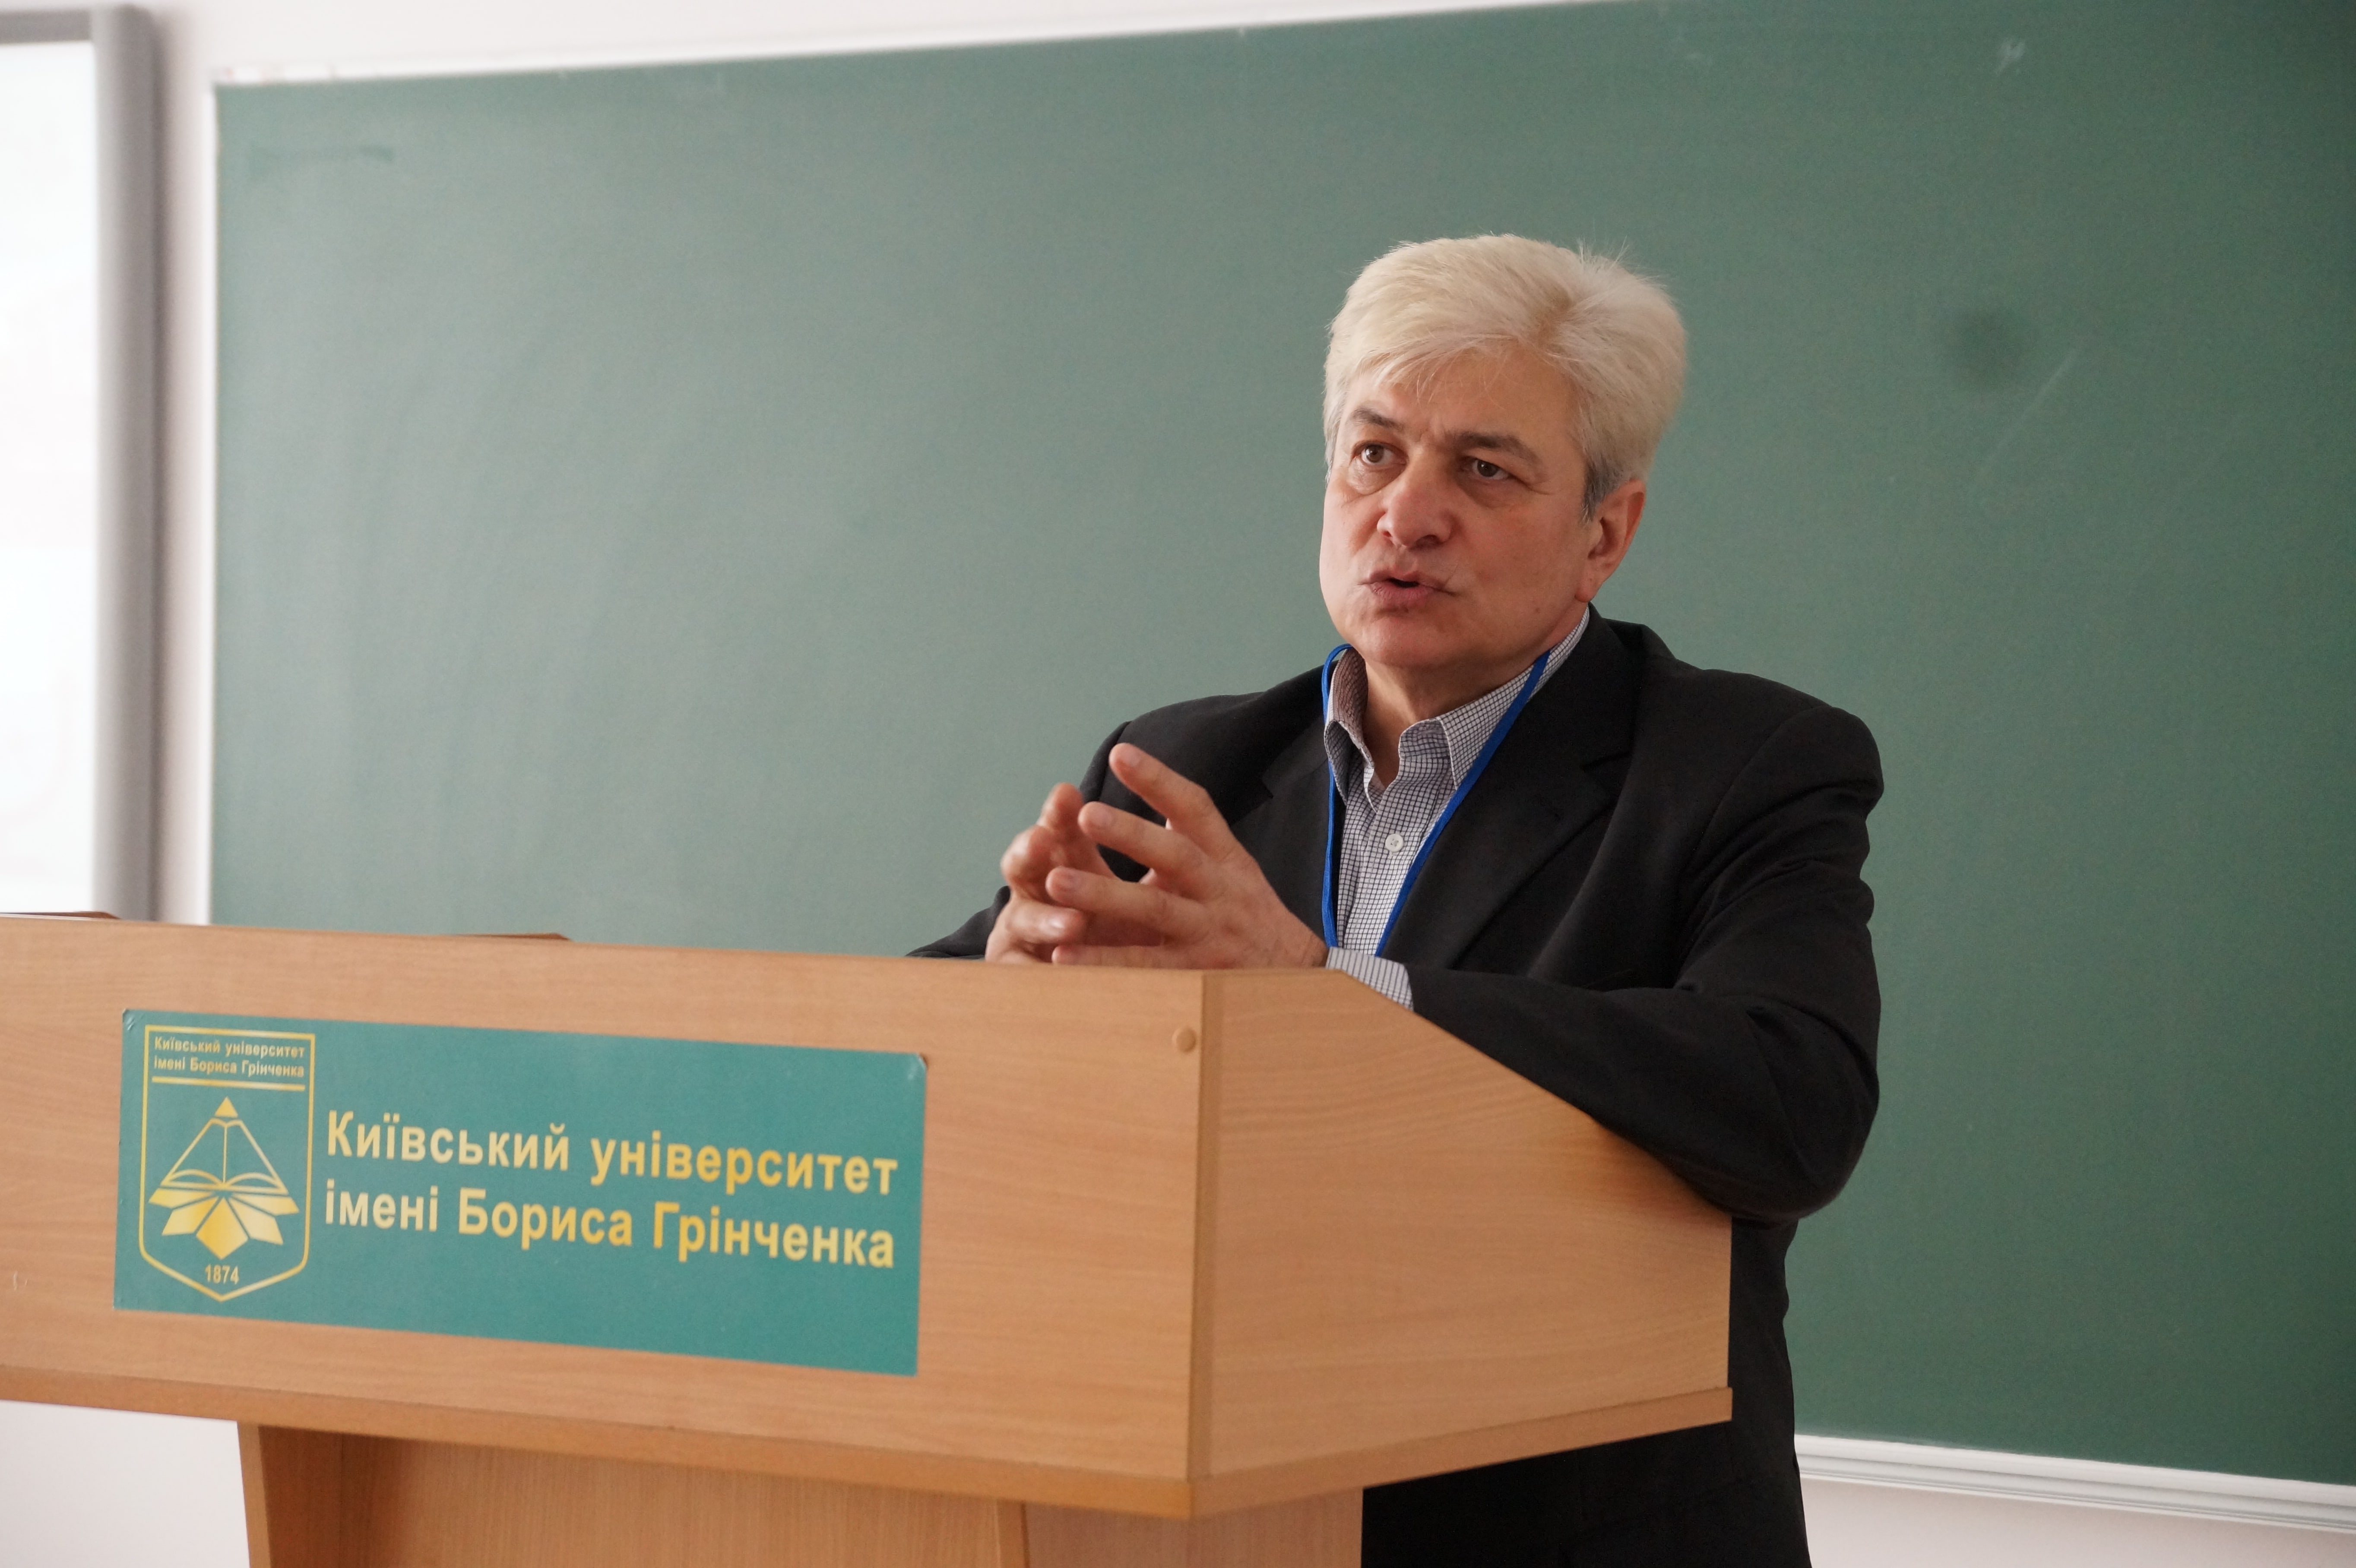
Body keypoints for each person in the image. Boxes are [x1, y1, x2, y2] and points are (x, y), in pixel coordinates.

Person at [915, 234, 1881, 1566]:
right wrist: (996, 1012)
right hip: (1223, 1518)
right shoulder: (1187, 765)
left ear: (1605, 533)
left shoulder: (1743, 766)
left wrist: (1324, 991)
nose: (1407, 515)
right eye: (1375, 454)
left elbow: (1791, 1104)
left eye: (1483, 471)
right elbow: (912, 1039)